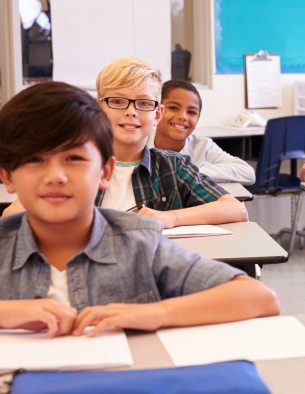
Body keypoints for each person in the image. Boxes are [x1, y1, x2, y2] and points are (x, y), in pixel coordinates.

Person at [0, 81, 279, 338]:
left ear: (105, 171)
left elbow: (259, 297)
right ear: (8, 176)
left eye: (74, 158)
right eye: (36, 160)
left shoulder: (139, 245)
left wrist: (158, 312)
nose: (56, 176)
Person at [154, 79, 256, 185]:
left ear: (198, 118)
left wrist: (190, 172)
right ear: (157, 110)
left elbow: (247, 173)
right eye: (173, 108)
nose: (183, 117)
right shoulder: (140, 142)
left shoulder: (203, 146)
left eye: (191, 112)